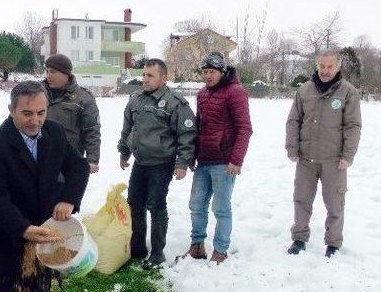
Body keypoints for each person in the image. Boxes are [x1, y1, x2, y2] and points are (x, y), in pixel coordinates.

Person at [0, 81, 89, 292]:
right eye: (27, 113)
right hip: (2, 235)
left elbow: (78, 166)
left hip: (43, 233)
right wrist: (23, 228)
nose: (35, 120)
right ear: (11, 110)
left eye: (41, 112)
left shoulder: (55, 132)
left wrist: (69, 199)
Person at [117, 58, 197, 269]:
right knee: (134, 204)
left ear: (164, 78)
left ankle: (158, 253)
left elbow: (186, 135)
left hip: (162, 163)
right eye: (144, 75)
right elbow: (128, 128)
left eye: (150, 75)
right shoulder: (136, 100)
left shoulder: (175, 103)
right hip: (140, 162)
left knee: (156, 205)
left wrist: (182, 163)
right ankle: (138, 247)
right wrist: (124, 152)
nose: (145, 79)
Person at [178, 51, 253, 264]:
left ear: (222, 71)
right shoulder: (202, 94)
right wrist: (192, 155)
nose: (208, 75)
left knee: (221, 208)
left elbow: (244, 128)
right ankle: (197, 245)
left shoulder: (235, 92)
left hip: (224, 162)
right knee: (196, 204)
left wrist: (236, 160)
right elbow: (198, 127)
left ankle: (220, 250)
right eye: (204, 71)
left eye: (212, 71)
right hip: (204, 160)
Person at [285, 49, 362, 258]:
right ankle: (299, 239)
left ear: (337, 67)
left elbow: (353, 126)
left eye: (330, 66)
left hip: (334, 161)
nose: (325, 70)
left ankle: (333, 243)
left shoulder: (348, 92)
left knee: (335, 204)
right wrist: (292, 148)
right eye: (322, 66)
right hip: (306, 159)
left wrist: (347, 155)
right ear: (316, 65)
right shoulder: (304, 90)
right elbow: (293, 121)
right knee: (301, 200)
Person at [42, 54, 101, 174]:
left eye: (53, 72)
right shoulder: (36, 93)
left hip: (68, 162)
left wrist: (92, 160)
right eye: (47, 71)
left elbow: (91, 131)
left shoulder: (84, 98)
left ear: (66, 74)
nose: (48, 76)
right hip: (39, 160)